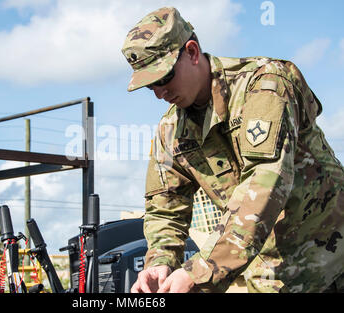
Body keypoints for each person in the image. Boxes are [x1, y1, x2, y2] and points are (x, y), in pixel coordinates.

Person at [121, 6, 343, 293]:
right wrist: (160, 260)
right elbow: (165, 208)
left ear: (191, 52)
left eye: (164, 77)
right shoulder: (170, 131)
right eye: (150, 85)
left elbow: (265, 183)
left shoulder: (264, 86)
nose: (160, 93)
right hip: (269, 277)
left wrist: (199, 271)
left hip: (332, 261)